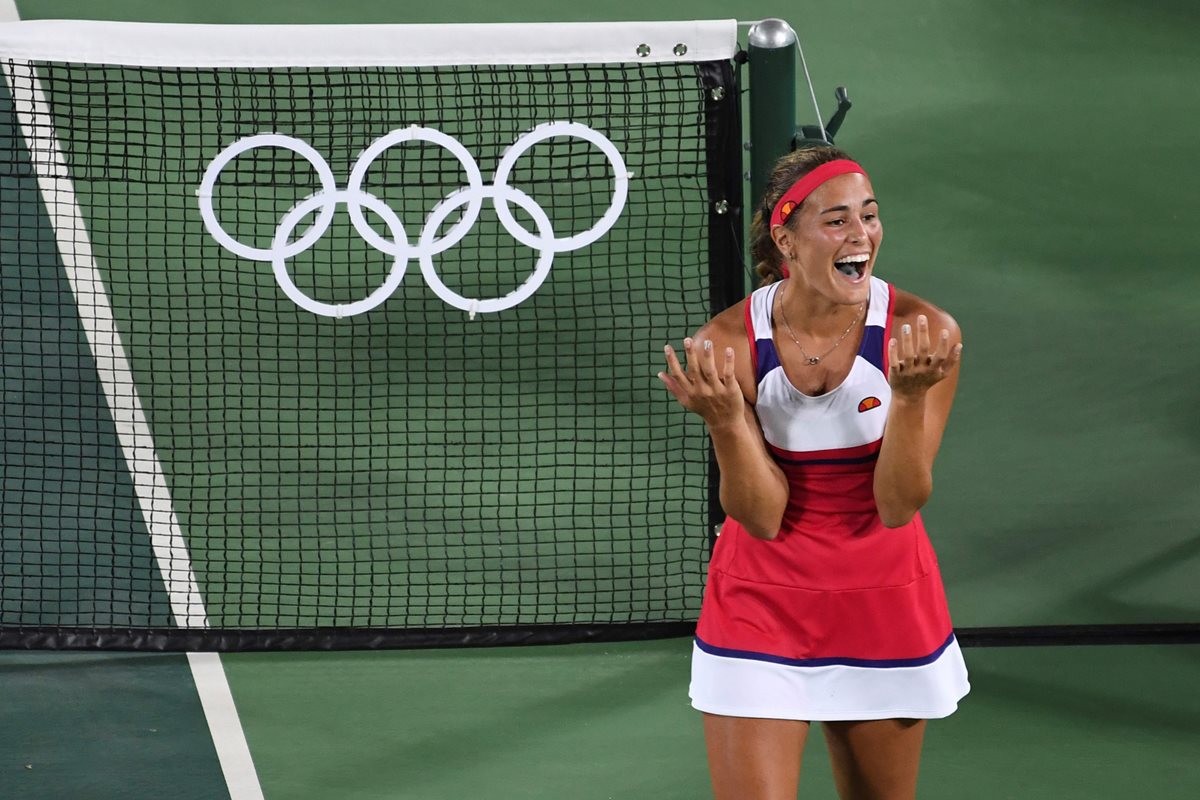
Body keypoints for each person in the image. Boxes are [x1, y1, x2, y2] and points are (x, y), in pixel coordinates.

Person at [658, 146, 970, 800]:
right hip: (760, 600)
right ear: (787, 241)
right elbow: (760, 515)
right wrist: (725, 422)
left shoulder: (922, 333)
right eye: (836, 221)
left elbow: (897, 504)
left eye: (870, 216)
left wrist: (908, 398)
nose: (861, 235)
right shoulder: (728, 345)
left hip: (882, 599)